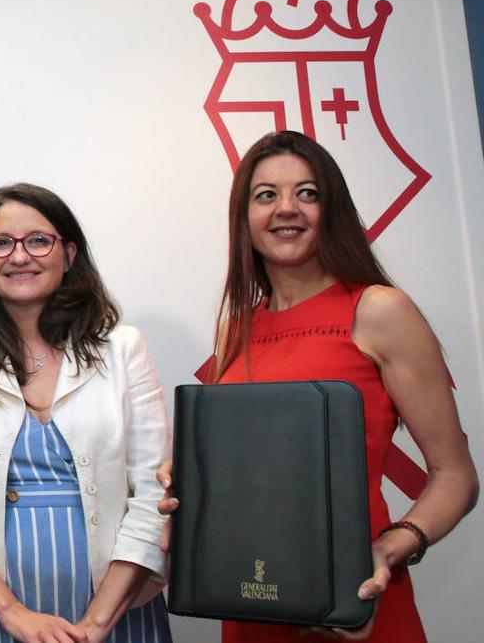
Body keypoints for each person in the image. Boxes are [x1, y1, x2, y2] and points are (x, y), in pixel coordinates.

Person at [161, 130, 478, 642]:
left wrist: (393, 545)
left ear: (332, 211)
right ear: (243, 217)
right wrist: (191, 485)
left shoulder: (379, 310)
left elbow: (455, 476)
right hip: (246, 604)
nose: (287, 208)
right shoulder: (235, 330)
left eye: (307, 193)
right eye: (267, 195)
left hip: (355, 597)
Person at [0, 183, 173, 643]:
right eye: (1, 243)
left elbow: (154, 496)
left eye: (38, 240)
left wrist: (97, 625)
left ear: (69, 253)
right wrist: (10, 613)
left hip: (117, 613)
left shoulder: (123, 349)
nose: (18, 256)